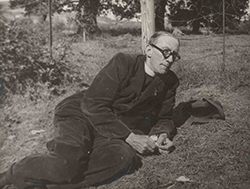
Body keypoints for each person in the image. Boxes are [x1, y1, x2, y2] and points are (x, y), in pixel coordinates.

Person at [0, 31, 182, 189]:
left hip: (112, 130)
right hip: (81, 113)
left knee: (124, 157)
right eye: (166, 52)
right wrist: (130, 137)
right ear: (149, 50)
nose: (170, 59)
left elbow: (164, 117)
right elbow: (93, 104)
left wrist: (160, 135)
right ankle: (10, 174)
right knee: (67, 164)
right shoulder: (124, 62)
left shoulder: (169, 81)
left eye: (175, 55)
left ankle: (42, 182)